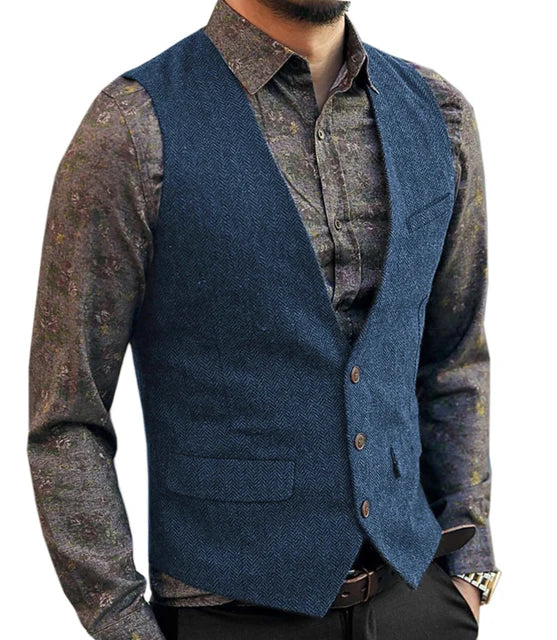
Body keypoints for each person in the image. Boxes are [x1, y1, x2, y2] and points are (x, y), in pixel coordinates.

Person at [27, 0, 502, 638]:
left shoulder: (439, 113)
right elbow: (67, 417)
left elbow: (454, 356)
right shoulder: (133, 129)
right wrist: (123, 625)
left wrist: (471, 568)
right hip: (231, 612)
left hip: (418, 602)